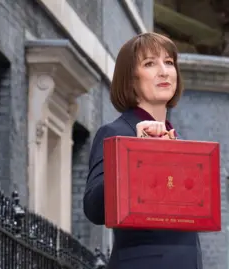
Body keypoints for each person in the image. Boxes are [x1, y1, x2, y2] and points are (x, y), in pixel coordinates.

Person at [83, 32, 203, 269]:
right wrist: (137, 152)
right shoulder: (115, 133)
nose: (164, 71)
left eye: (169, 63)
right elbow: (94, 208)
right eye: (150, 63)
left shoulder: (181, 143)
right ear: (131, 80)